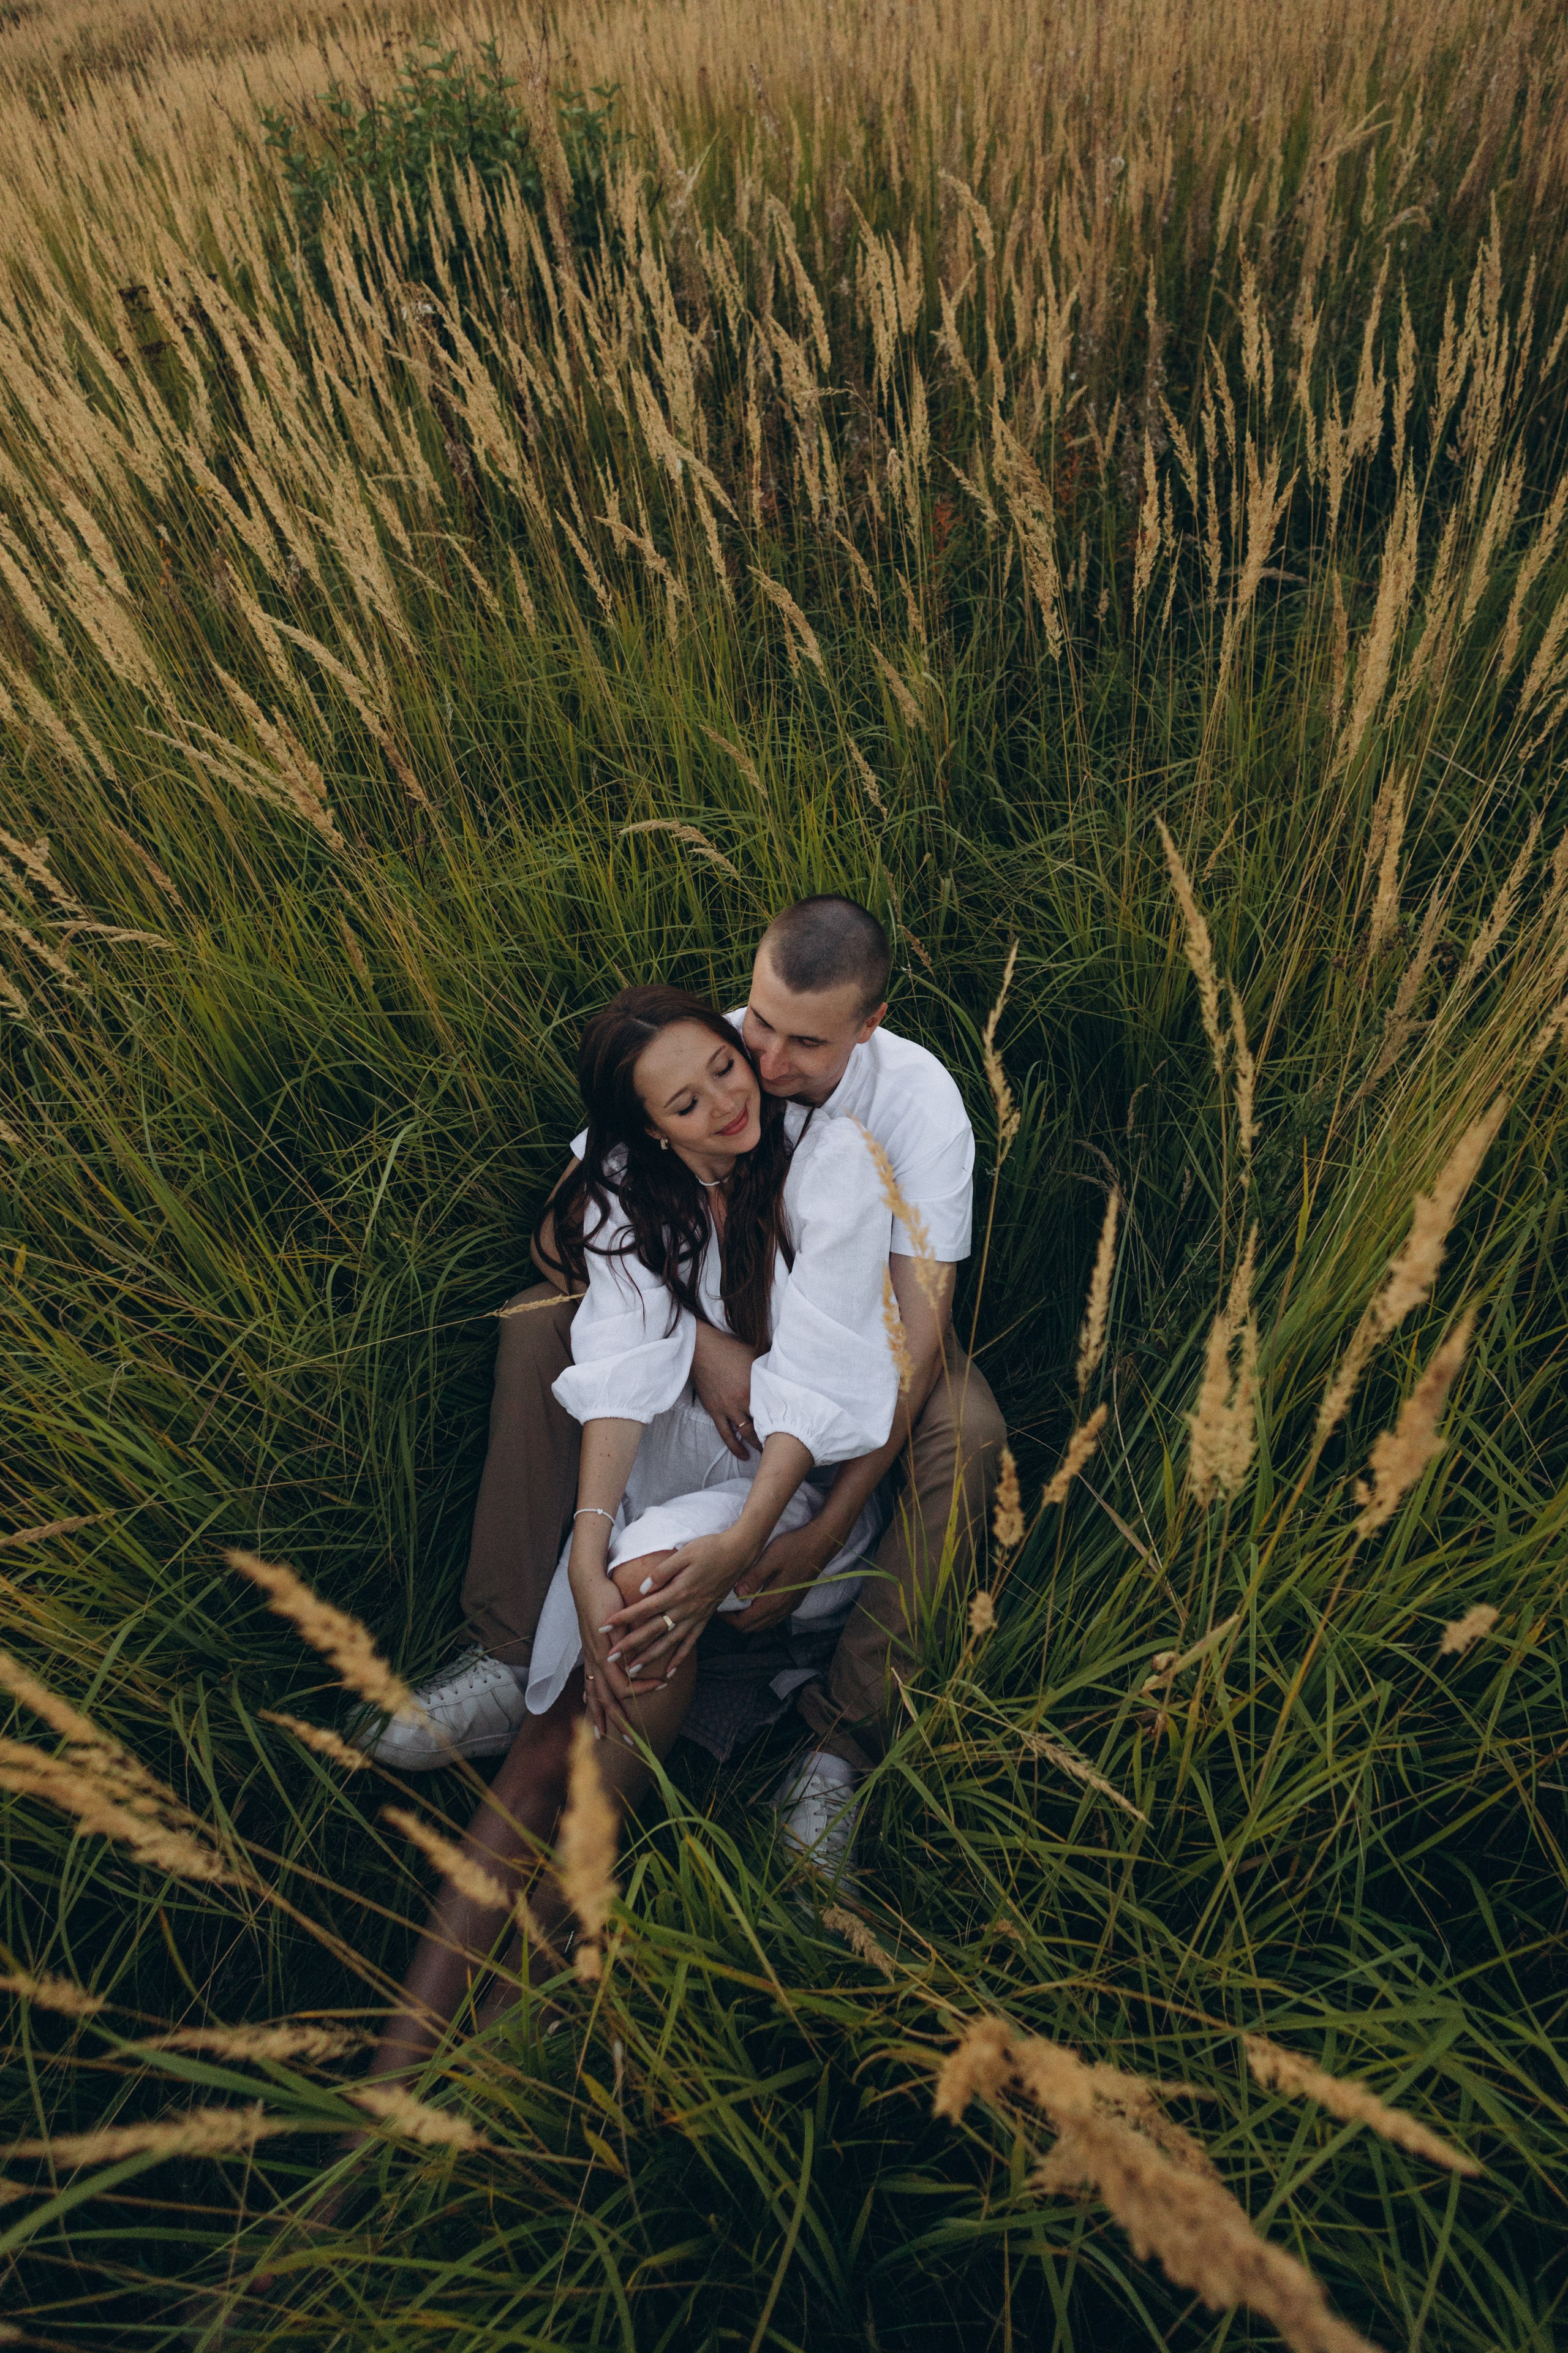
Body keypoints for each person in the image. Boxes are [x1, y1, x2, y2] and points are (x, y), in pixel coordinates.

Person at [363, 897, 1006, 1874]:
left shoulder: (916, 1106)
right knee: (541, 1317)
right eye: (759, 1022)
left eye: (804, 1043)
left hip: (854, 1335)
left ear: (869, 1027)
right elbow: (563, 1231)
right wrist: (701, 1341)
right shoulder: (717, 1057)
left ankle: (840, 1744)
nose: (768, 1063)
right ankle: (506, 1650)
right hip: (713, 1309)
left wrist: (821, 1533)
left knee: (965, 1419)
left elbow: (917, 1340)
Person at [365, 983, 901, 2077]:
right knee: (537, 1749)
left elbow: (818, 1384)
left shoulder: (831, 1161)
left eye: (723, 1067)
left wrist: (739, 1541)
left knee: (644, 1593)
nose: (721, 1102)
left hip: (788, 1487)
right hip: (663, 1476)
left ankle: (544, 1976)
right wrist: (582, 1537)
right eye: (683, 1102)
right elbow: (617, 1361)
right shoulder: (623, 1189)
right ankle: (388, 2084)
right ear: (645, 1129)